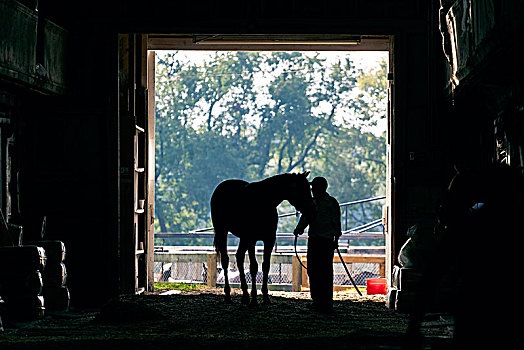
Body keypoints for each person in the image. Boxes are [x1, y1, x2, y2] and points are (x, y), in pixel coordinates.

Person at [294, 176, 341, 312]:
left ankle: (326, 301)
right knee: (313, 270)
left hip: (326, 241)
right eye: (313, 188)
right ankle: (316, 300)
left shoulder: (331, 203)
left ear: (323, 188)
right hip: (314, 240)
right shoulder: (312, 203)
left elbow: (336, 223)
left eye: (315, 188)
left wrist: (335, 241)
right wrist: (299, 228)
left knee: (325, 271)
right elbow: (306, 218)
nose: (313, 190)